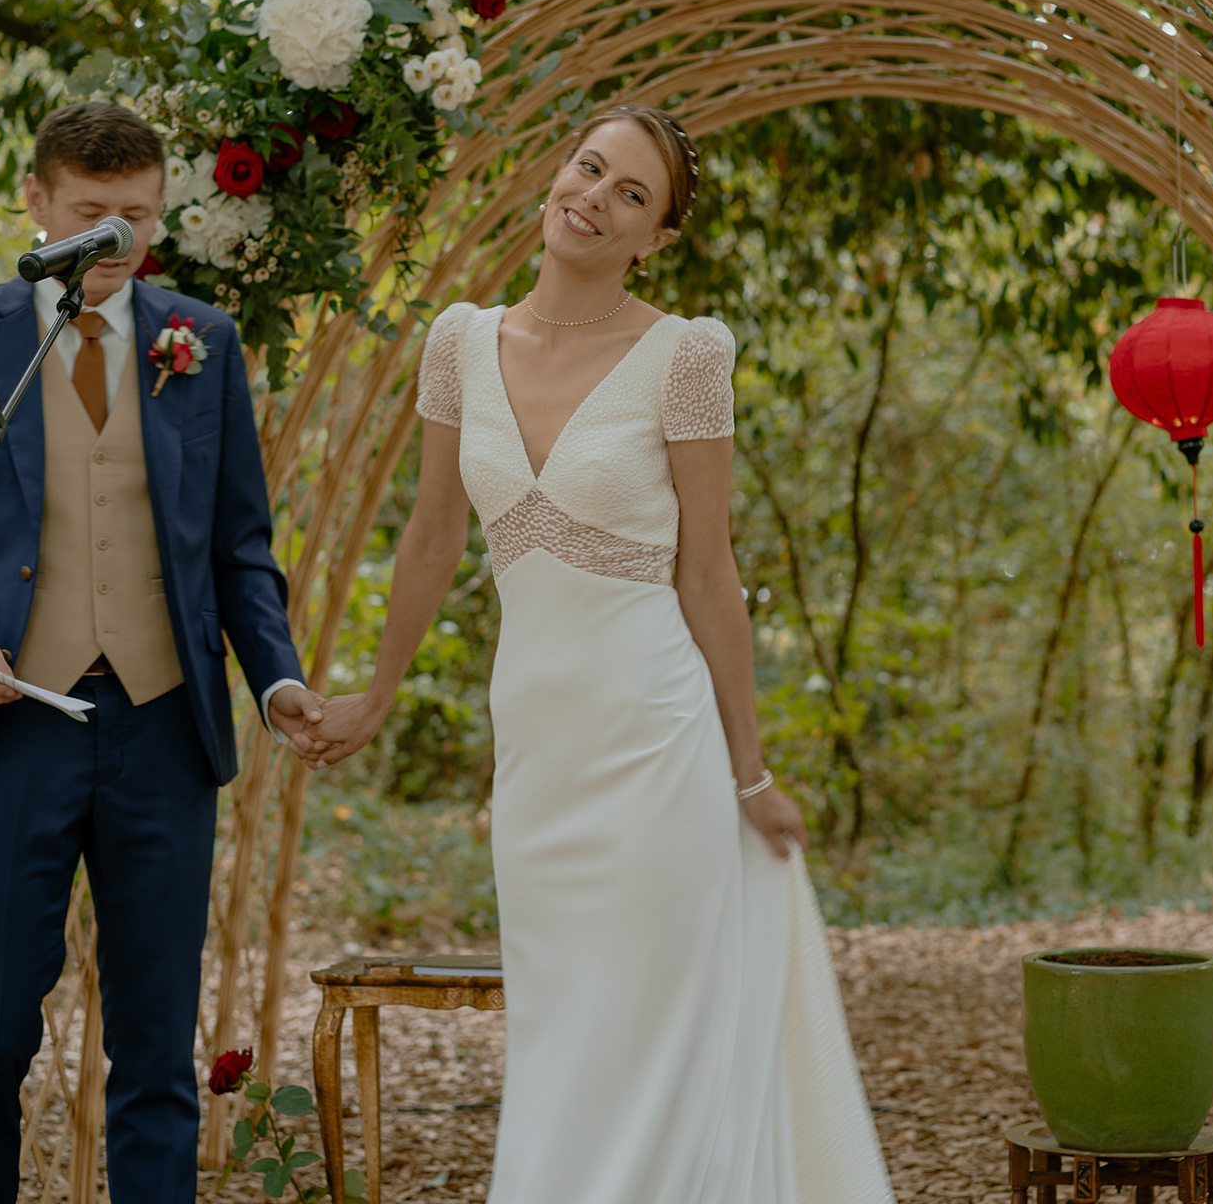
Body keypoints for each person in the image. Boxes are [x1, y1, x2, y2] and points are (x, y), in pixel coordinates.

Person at [297, 103, 897, 1202]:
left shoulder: (685, 355)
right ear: (555, 174)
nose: (595, 199)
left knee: (650, 1040)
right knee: (565, 1037)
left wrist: (749, 772)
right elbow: (431, 536)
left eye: (631, 194)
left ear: (654, 238)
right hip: (537, 758)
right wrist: (374, 697)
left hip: (656, 742)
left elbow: (708, 573)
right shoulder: (459, 342)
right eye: (589, 167)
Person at [0, 100, 328, 1203]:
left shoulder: (203, 342)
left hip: (165, 730)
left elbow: (239, 547)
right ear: (36, 201)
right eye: (90, 216)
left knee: (157, 1051)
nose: (116, 242)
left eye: (137, 219)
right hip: (9, 728)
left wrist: (277, 678)